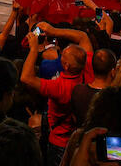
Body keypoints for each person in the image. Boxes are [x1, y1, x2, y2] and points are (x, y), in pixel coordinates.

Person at [19, 22, 94, 165]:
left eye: (63, 55)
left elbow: (26, 78)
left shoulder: (59, 87)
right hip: (81, 139)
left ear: (66, 66)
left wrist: (34, 49)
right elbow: (83, 37)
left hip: (60, 143)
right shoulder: (88, 70)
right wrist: (53, 31)